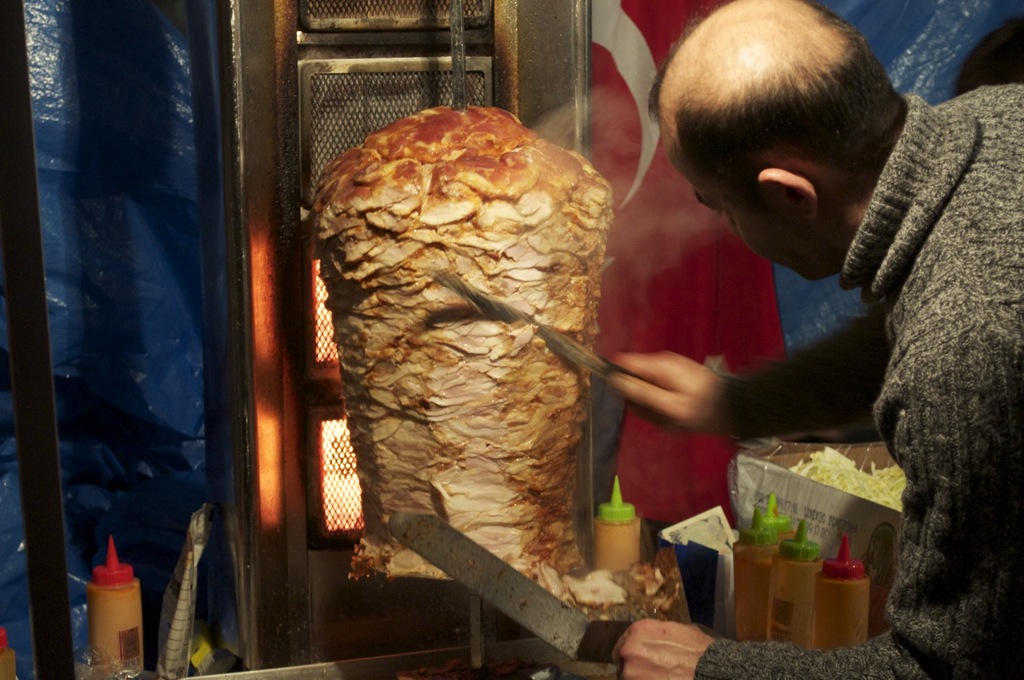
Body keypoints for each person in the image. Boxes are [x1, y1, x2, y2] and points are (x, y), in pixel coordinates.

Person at [606, 0, 1024, 677]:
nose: (725, 231)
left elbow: (950, 665)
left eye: (718, 207)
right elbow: (904, 335)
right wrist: (736, 406)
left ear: (791, 196)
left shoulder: (963, 348)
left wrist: (715, 669)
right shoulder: (998, 118)